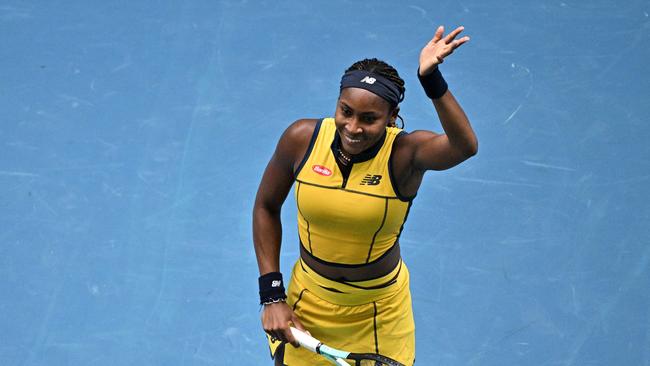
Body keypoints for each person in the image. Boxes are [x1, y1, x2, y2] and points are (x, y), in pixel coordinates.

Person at [253, 25, 477, 365]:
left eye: (369, 119)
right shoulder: (301, 139)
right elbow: (266, 207)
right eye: (346, 111)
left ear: (391, 118)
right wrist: (272, 296)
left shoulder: (405, 154)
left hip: (377, 311)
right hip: (308, 303)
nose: (353, 127)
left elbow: (464, 147)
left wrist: (431, 80)